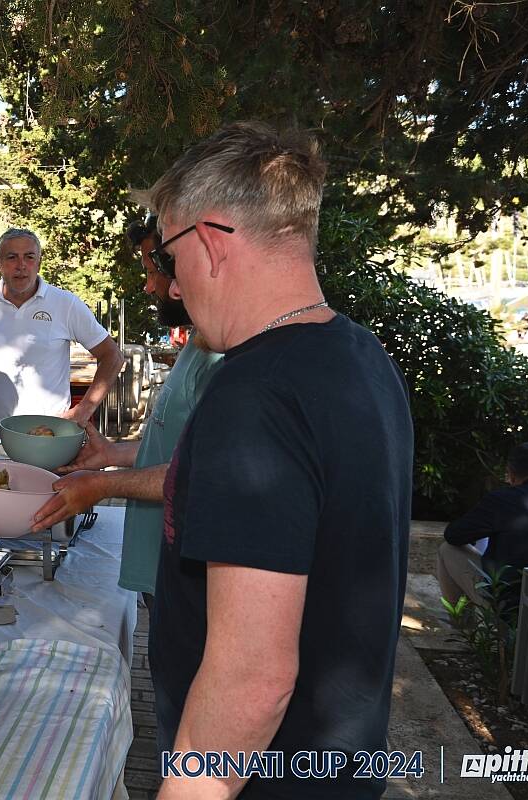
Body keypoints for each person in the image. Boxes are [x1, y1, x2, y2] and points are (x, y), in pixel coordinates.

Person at [148, 122, 413, 799]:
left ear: (208, 242)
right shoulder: (362, 354)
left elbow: (252, 679)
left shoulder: (253, 397)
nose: (173, 285)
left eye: (167, 253)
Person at [30, 214, 223, 609]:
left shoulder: (223, 358)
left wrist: (103, 485)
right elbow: (183, 446)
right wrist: (112, 455)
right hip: (163, 568)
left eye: (153, 271)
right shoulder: (200, 344)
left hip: (193, 580)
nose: (148, 285)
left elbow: (204, 474)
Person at [0, 227, 126, 426]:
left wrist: (83, 410)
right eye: (11, 257)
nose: (21, 266)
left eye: (29, 257)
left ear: (39, 262)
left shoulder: (66, 304)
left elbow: (113, 356)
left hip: (49, 433)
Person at [438, 442, 528, 610]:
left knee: (448, 549)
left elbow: (453, 535)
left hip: (509, 610)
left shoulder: (501, 500)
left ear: (511, 475)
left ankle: (466, 630)